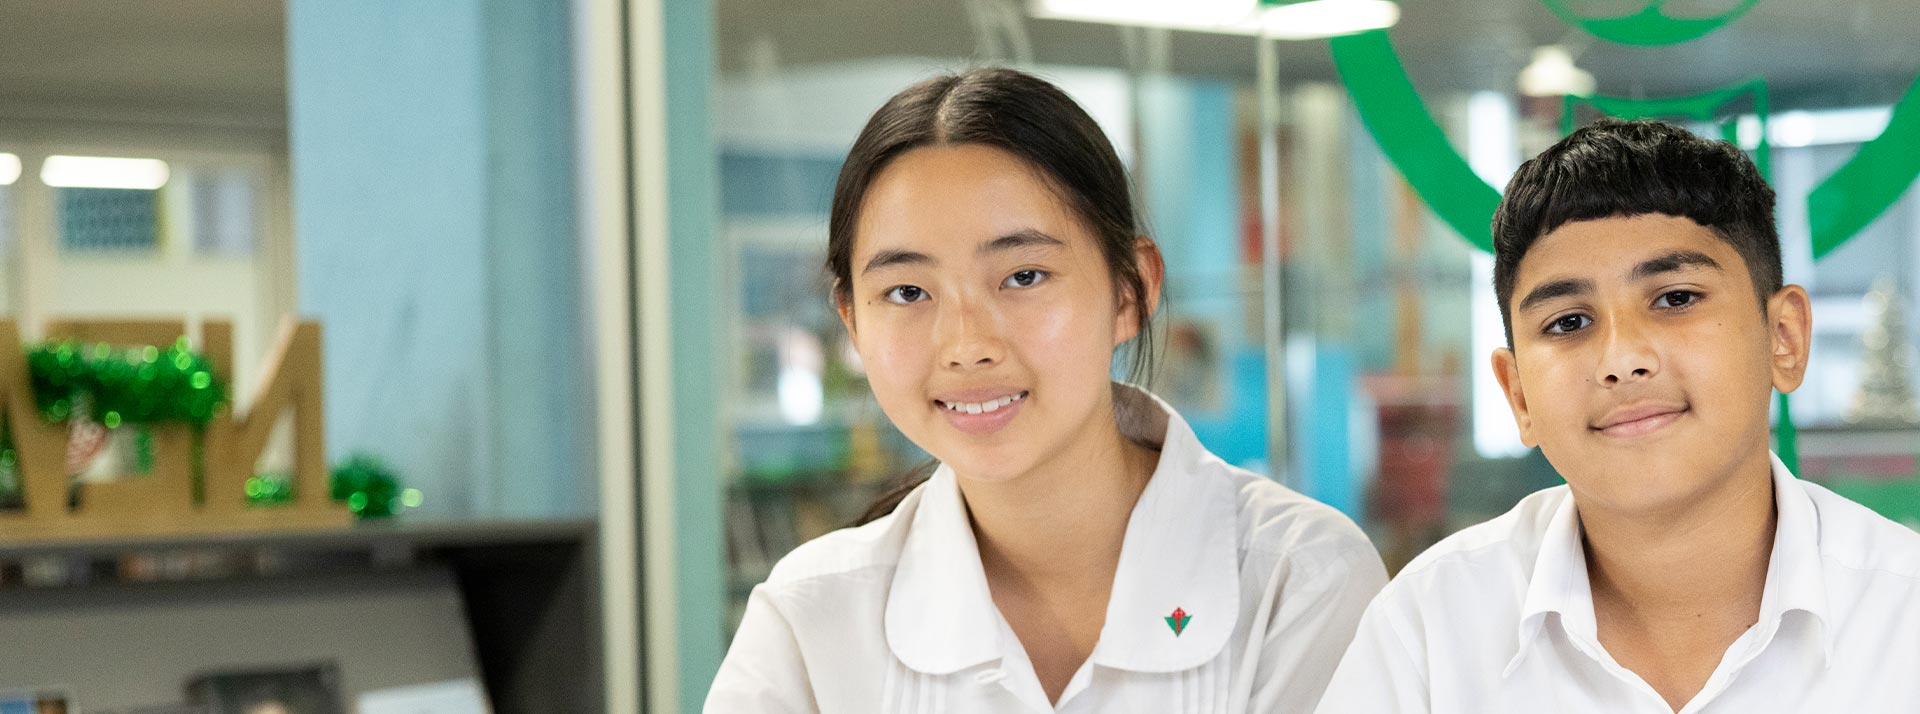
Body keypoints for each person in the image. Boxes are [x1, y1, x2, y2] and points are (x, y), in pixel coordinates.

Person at [705, 67, 1386, 713]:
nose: (967, 344)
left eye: (1023, 276)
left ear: (1131, 289)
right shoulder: (809, 619)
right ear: (851, 320)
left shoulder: (1297, 578)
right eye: (907, 291)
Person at [1315, 118, 1920, 713]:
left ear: (1782, 338)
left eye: (1675, 298)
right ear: (1519, 393)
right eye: (1568, 322)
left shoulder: (1901, 615)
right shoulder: (1431, 631)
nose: (1622, 359)